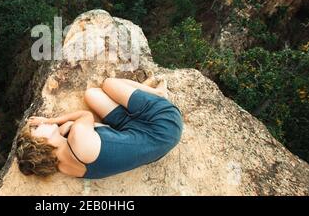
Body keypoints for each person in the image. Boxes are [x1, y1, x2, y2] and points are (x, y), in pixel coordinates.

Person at [16, 76, 183, 179]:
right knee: (108, 83)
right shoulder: (78, 138)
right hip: (165, 126)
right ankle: (158, 94)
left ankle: (138, 96)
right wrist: (54, 121)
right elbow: (85, 116)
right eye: (35, 130)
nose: (40, 125)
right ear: (41, 142)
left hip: (136, 135)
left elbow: (96, 135)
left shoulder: (64, 167)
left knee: (92, 95)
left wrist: (63, 131)